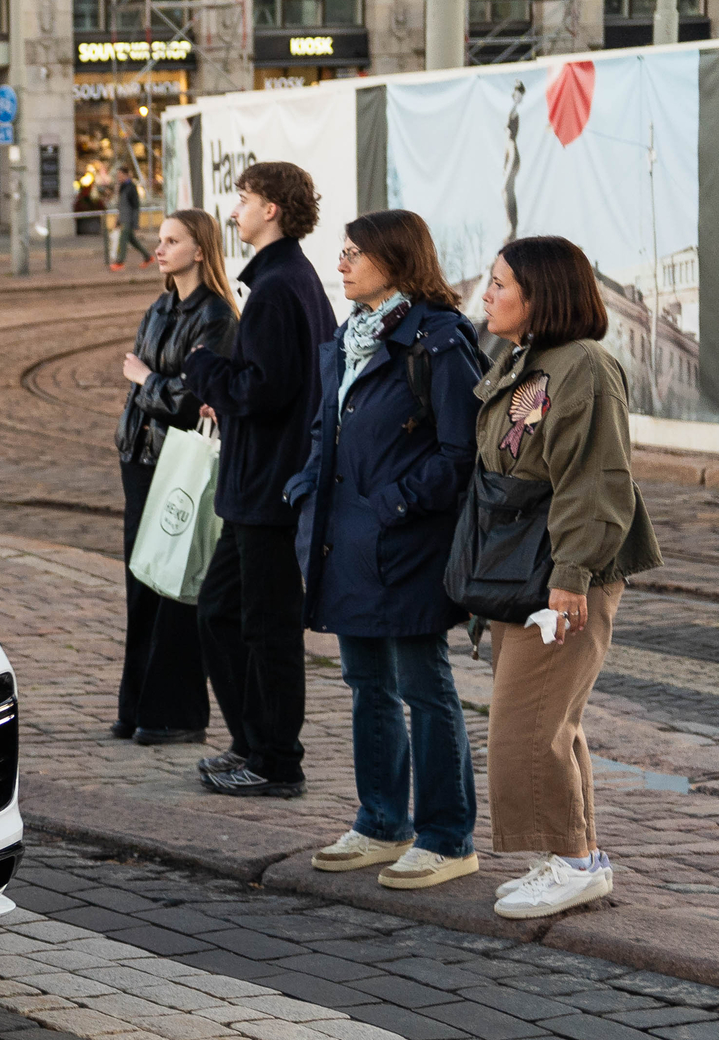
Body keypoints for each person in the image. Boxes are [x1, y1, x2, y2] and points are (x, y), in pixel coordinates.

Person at [289, 211, 488, 888]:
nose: (340, 264)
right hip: (344, 540)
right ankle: (380, 820)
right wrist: (306, 488)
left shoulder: (437, 340)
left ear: (395, 260)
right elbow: (329, 428)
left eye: (354, 254)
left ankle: (447, 834)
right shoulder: (350, 335)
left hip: (404, 544)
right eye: (341, 252)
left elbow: (462, 452)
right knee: (366, 684)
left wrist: (392, 503)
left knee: (423, 687)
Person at [474, 237, 662, 918]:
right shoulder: (531, 361)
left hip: (560, 570)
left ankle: (574, 864)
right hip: (530, 566)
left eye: (500, 284)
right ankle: (571, 856)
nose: (488, 294)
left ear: (540, 295)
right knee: (553, 720)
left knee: (530, 723)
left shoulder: (583, 366)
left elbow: (597, 480)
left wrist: (571, 575)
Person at [181, 161, 336, 797]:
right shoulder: (283, 280)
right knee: (221, 609)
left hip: (268, 485)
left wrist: (205, 372)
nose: (235, 210)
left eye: (243, 199)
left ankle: (277, 761)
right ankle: (254, 742)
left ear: (271, 209)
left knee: (267, 627)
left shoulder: (277, 288)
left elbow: (267, 390)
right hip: (260, 483)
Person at [113, 208, 237, 745]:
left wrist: (143, 380)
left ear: (201, 250)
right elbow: (171, 388)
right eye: (160, 240)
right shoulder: (160, 307)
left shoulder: (217, 318)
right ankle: (139, 704)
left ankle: (176, 713)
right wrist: (149, 390)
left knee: (176, 582)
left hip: (177, 461)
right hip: (138, 459)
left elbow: (194, 401)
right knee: (142, 581)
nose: (160, 249)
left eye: (172, 241)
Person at [113, 165, 153, 268]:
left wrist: (135, 223)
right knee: (132, 240)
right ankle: (148, 257)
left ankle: (120, 262)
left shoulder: (131, 187)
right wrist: (118, 220)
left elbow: (135, 207)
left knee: (123, 240)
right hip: (123, 218)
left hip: (129, 220)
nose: (118, 177)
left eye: (120, 175)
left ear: (126, 175)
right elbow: (120, 206)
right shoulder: (122, 187)